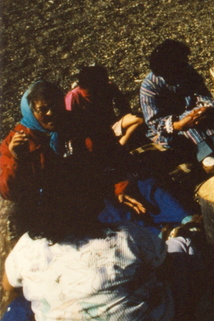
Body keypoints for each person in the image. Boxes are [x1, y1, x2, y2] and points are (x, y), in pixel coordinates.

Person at [2, 168, 200, 321]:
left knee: (27, 299)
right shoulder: (122, 233)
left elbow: (8, 285)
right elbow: (165, 266)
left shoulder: (26, 245)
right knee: (181, 245)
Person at [1, 80, 192, 238]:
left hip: (98, 180)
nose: (51, 113)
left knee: (144, 183)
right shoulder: (18, 140)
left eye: (55, 105)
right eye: (43, 110)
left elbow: (111, 153)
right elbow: (9, 191)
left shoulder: (78, 121)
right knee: (111, 213)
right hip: (65, 198)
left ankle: (185, 222)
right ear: (31, 112)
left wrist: (120, 184)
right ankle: (159, 237)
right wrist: (18, 159)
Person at [140, 39, 214, 174]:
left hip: (193, 115)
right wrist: (178, 125)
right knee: (189, 124)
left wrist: (204, 108)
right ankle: (209, 160)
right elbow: (153, 121)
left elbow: (203, 95)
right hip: (170, 129)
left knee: (205, 118)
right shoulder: (149, 87)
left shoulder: (186, 71)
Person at [65, 65, 144, 148]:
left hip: (110, 126)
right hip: (91, 135)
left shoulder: (108, 87)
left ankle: (119, 145)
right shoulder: (73, 97)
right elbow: (71, 126)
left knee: (139, 120)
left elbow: (124, 107)